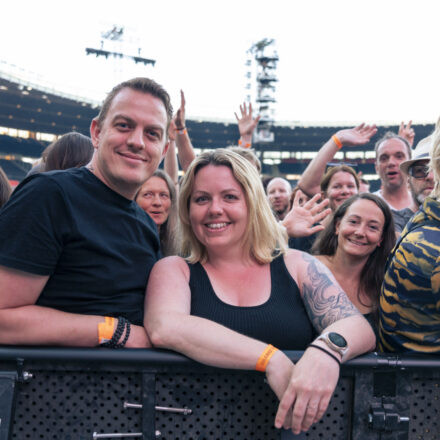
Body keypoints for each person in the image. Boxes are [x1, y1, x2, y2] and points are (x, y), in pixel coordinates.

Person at [145, 149, 376, 435]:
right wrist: (271, 358)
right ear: (187, 209)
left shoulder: (295, 264)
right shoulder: (174, 269)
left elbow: (357, 327)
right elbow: (165, 327)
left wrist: (325, 351)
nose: (214, 209)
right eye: (201, 198)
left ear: (253, 203)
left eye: (230, 197)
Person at [0, 77, 172, 348]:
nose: (137, 142)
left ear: (162, 151)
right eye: (124, 126)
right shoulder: (50, 195)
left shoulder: (145, 224)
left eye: (152, 133)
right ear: (96, 132)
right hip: (55, 388)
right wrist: (112, 330)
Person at [379, 126, 440, 353]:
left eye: (434, 166)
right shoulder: (427, 244)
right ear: (409, 181)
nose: (430, 176)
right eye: (420, 170)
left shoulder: (422, 224)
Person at [312, 193, 395, 328]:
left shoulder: (386, 286)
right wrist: (284, 231)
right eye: (353, 222)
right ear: (338, 226)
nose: (360, 232)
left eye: (373, 227)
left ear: (381, 239)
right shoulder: (308, 268)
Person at [297, 123, 377, 200]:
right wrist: (337, 139)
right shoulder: (327, 205)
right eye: (337, 186)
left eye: (350, 186)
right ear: (324, 195)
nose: (345, 191)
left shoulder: (370, 209)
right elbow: (307, 185)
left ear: (358, 192)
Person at [136, 169, 178, 256]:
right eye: (148, 194)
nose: (157, 202)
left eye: (163, 195)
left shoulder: (180, 249)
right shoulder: (123, 244)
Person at [373, 131, 413, 210]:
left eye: (399, 156)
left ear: (410, 164)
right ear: (376, 167)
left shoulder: (424, 205)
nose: (391, 163)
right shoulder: (367, 205)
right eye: (384, 158)